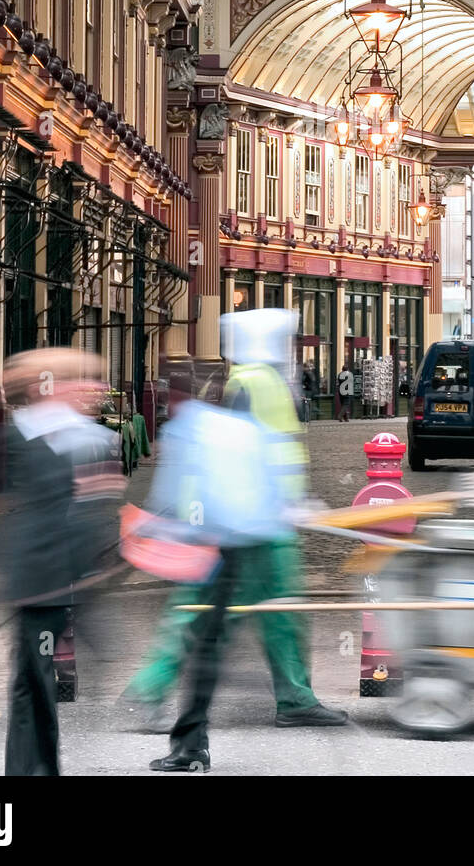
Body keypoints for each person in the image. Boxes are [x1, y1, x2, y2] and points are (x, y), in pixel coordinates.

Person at [150, 310, 348, 773]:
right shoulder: (264, 382)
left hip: (240, 519)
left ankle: (166, 702)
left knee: (217, 613)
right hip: (256, 521)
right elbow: (269, 448)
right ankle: (290, 699)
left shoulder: (242, 379)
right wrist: (290, 500)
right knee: (258, 611)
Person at [0, 349, 124, 776]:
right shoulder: (56, 434)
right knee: (33, 684)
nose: (91, 390)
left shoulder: (53, 432)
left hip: (48, 577)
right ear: (50, 386)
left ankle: (38, 768)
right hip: (44, 578)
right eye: (80, 382)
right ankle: (30, 770)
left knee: (35, 682)